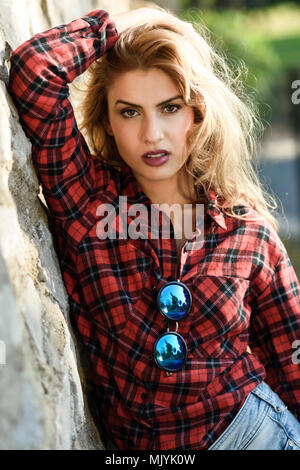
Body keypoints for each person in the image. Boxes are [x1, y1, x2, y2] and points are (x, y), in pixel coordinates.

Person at [8, 6, 300, 451]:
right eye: (129, 112)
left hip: (261, 435)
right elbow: (34, 73)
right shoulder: (87, 200)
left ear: (197, 114)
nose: (152, 134)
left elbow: (294, 366)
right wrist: (116, 28)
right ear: (106, 120)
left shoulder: (249, 234)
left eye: (169, 108)